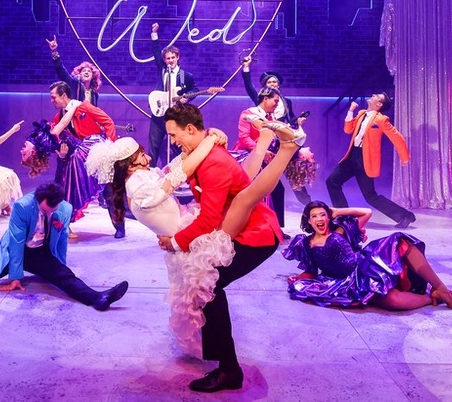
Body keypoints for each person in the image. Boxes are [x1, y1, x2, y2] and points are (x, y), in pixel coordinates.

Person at [88, 119, 301, 362]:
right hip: (188, 236)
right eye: (141, 153)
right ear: (129, 165)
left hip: (187, 232)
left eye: (174, 135)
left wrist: (208, 137)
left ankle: (276, 144)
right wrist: (209, 139)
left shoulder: (142, 176)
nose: (148, 155)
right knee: (244, 196)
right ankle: (284, 148)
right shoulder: (137, 184)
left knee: (243, 191)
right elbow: (180, 172)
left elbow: (175, 166)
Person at [158, 104, 288, 394]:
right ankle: (219, 356)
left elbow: (209, 219)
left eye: (174, 134)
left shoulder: (212, 162)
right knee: (205, 284)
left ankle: (229, 370)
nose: (173, 141)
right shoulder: (203, 151)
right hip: (235, 227)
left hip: (256, 234)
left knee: (209, 283)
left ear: (189, 129)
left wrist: (175, 241)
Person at [0, 182, 129, 312]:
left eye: (54, 208)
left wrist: (59, 268)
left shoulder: (65, 209)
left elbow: (61, 242)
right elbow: (16, 242)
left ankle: (98, 298)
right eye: (46, 209)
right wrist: (15, 277)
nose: (50, 212)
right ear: (38, 199)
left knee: (64, 276)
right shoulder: (22, 206)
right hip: (14, 252)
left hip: (40, 254)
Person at [284, 201, 452, 311]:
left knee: (401, 241)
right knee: (392, 300)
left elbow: (367, 212)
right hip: (348, 281)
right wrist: (299, 278)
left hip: (366, 264)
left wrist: (337, 211)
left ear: (328, 217)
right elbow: (311, 271)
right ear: (309, 221)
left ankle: (441, 288)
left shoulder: (341, 230)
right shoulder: (305, 243)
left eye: (323, 215)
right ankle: (432, 297)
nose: (319, 219)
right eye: (314, 216)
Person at [325, 92, 416, 228]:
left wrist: (404, 158)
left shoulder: (381, 120)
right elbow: (348, 130)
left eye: (376, 96)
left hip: (365, 160)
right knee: (332, 181)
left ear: (379, 104)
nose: (373, 95)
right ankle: (344, 217)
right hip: (352, 156)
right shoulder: (361, 113)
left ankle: (405, 216)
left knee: (371, 197)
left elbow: (397, 138)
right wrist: (350, 111)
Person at [48, 80, 124, 236]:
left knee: (109, 192)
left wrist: (110, 146)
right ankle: (66, 222)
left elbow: (108, 122)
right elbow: (62, 143)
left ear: (64, 95)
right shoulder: (58, 118)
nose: (51, 101)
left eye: (53, 97)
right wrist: (62, 156)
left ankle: (119, 226)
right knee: (69, 187)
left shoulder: (84, 107)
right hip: (79, 160)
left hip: (98, 154)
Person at [240, 55, 317, 205]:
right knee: (270, 176)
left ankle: (308, 204)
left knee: (294, 171)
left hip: (283, 140)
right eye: (269, 82)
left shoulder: (286, 101)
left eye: (274, 82)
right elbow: (249, 86)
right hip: (269, 143)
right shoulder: (261, 99)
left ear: (279, 85)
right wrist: (246, 67)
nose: (273, 84)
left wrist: (298, 121)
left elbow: (290, 119)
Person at [233, 86, 291, 229]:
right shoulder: (248, 114)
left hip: (264, 158)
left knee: (277, 189)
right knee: (259, 192)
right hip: (247, 157)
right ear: (265, 99)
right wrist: (262, 151)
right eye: (275, 101)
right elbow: (244, 138)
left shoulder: (272, 118)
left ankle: (276, 228)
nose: (277, 104)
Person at [149, 23, 198, 167]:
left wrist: (187, 97)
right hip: (159, 115)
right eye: (167, 58)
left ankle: (181, 170)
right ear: (165, 60)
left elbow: (194, 89)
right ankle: (150, 173)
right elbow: (156, 52)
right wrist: (154, 34)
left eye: (172, 57)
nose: (170, 60)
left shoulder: (185, 76)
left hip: (175, 115)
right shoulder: (163, 70)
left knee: (178, 146)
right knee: (154, 146)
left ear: (177, 58)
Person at [46, 35, 102, 105]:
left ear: (93, 76)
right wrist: (54, 51)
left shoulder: (94, 94)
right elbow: (60, 70)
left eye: (89, 71)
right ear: (79, 74)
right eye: (84, 71)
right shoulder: (73, 84)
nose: (86, 72)